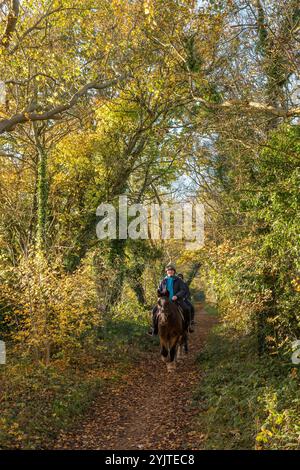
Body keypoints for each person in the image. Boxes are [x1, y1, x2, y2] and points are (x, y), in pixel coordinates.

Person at [148, 263, 191, 336]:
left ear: (174, 271)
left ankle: (187, 327)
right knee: (154, 310)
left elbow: (183, 290)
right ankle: (154, 329)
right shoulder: (163, 281)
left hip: (176, 301)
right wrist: (160, 296)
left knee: (186, 309)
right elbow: (159, 289)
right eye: (168, 270)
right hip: (165, 302)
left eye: (171, 270)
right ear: (166, 272)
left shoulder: (178, 280)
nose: (170, 271)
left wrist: (177, 296)